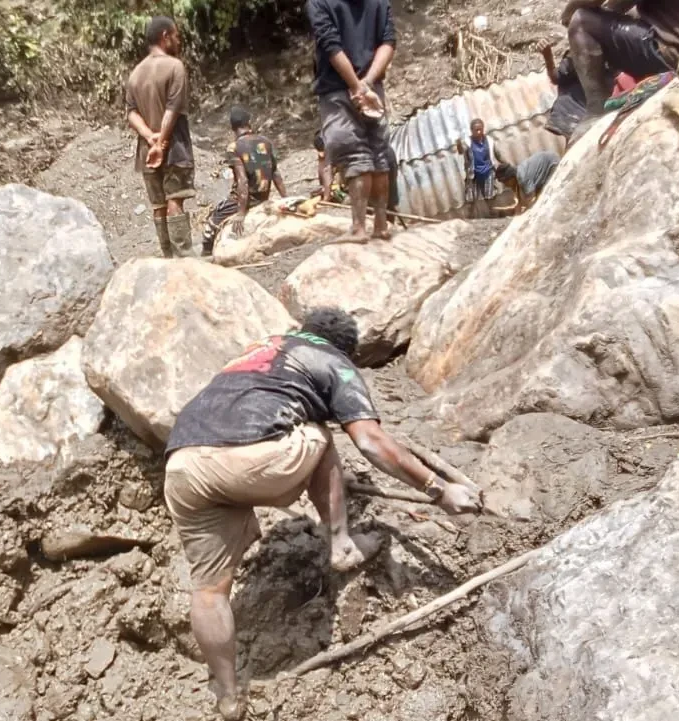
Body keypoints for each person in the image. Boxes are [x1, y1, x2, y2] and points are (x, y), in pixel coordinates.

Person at [164, 307, 482, 721]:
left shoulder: (258, 350)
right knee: (319, 434)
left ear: (304, 331)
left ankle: (227, 695)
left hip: (182, 464)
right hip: (247, 460)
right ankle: (342, 544)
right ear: (347, 349)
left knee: (208, 593)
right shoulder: (334, 361)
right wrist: (438, 490)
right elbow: (369, 441)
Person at [308, 0, 397, 241]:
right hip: (373, 90)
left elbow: (331, 45)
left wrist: (356, 86)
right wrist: (367, 84)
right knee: (378, 155)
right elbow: (388, 42)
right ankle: (380, 224)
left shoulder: (320, 2)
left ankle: (358, 227)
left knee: (354, 155)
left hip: (338, 91)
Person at [562, 0, 679, 116]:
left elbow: (588, 6)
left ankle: (596, 111)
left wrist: (568, 13)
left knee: (581, 22)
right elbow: (618, 5)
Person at [126, 16, 197, 258]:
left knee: (159, 205)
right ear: (165, 36)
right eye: (176, 35)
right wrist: (162, 141)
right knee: (175, 200)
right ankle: (184, 257)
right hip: (173, 147)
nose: (178, 40)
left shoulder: (135, 74)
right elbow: (173, 107)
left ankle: (167, 257)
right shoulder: (175, 67)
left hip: (147, 152)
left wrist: (149, 138)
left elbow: (131, 113)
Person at [201, 107, 287, 256]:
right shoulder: (266, 142)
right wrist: (286, 198)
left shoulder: (234, 148)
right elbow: (275, 173)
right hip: (262, 198)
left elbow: (242, 181)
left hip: (242, 201)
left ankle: (207, 255)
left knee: (210, 225)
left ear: (233, 128)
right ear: (249, 123)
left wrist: (241, 212)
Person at [496, 151, 562, 214]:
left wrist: (525, 211)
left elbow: (531, 197)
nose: (505, 185)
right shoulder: (517, 173)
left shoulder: (523, 177)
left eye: (505, 182)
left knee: (547, 192)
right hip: (546, 163)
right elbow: (520, 196)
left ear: (510, 178)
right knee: (540, 193)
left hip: (552, 163)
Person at [463, 119, 504, 218]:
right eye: (476, 130)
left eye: (480, 129)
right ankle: (469, 220)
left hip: (487, 171)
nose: (479, 132)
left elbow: (497, 155)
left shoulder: (489, 141)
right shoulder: (467, 142)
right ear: (471, 130)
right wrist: (459, 146)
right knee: (470, 199)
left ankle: (495, 217)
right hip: (473, 174)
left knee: (490, 197)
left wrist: (505, 163)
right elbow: (462, 151)